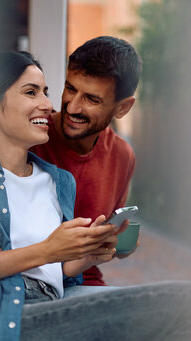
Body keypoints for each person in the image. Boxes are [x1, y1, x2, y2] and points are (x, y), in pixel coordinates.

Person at [0, 50, 191, 341]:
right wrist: (47, 250)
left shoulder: (58, 180)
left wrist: (84, 256)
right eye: (31, 92)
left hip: (59, 300)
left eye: (46, 92)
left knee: (185, 315)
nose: (48, 105)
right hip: (11, 316)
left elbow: (51, 273)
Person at [31, 36, 140, 285]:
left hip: (86, 283)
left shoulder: (122, 156)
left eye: (91, 99)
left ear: (122, 108)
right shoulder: (31, 136)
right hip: (31, 284)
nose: (72, 107)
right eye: (70, 88)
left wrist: (117, 242)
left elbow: (108, 242)